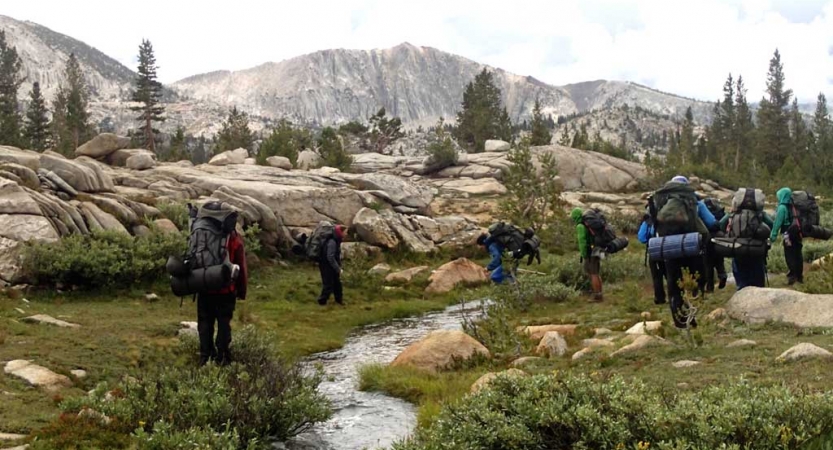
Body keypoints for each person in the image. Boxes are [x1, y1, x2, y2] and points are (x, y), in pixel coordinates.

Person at [659, 176, 715, 329]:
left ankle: (679, 321)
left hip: (669, 248)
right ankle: (692, 316)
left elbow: (650, 228)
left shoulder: (661, 200)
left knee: (673, 285)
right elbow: (710, 223)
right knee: (697, 280)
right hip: (692, 246)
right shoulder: (694, 201)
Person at [195, 203, 248, 367]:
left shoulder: (200, 231)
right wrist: (241, 290)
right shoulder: (232, 236)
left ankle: (205, 358)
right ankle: (223, 357)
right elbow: (241, 264)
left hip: (203, 285)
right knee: (224, 323)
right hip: (226, 289)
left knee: (205, 323)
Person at [718, 202, 773, 290]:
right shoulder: (759, 214)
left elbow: (720, 225)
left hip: (738, 248)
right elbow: (771, 224)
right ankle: (759, 295)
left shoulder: (733, 214)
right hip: (756, 249)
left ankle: (742, 292)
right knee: (757, 275)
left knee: (740, 274)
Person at [771, 187, 803, 285]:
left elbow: (777, 223)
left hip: (787, 234)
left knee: (789, 254)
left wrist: (773, 236)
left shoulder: (782, 208)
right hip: (797, 233)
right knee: (797, 253)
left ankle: (793, 276)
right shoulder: (793, 206)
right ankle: (799, 276)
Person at [572, 208, 603, 301]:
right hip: (597, 249)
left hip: (590, 252)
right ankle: (599, 293)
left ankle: (597, 295)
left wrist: (584, 254)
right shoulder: (588, 224)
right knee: (596, 272)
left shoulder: (580, 226)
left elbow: (582, 242)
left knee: (592, 274)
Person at [637, 212, 666, 304]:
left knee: (657, 277)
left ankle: (659, 298)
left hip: (654, 250)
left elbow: (641, 237)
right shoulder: (669, 216)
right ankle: (676, 296)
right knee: (671, 275)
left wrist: (649, 241)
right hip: (669, 248)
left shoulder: (649, 220)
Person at [702, 198, 728, 292]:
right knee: (719, 259)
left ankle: (710, 287)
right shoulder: (719, 210)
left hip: (707, 238)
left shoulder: (703, 211)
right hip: (719, 236)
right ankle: (722, 275)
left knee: (708, 263)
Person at [318, 224, 346, 305]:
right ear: (340, 232)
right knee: (328, 285)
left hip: (330, 265)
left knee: (337, 284)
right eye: (345, 232)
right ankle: (322, 301)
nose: (346, 234)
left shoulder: (336, 240)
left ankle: (339, 301)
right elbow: (330, 257)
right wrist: (338, 268)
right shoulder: (332, 242)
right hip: (327, 266)